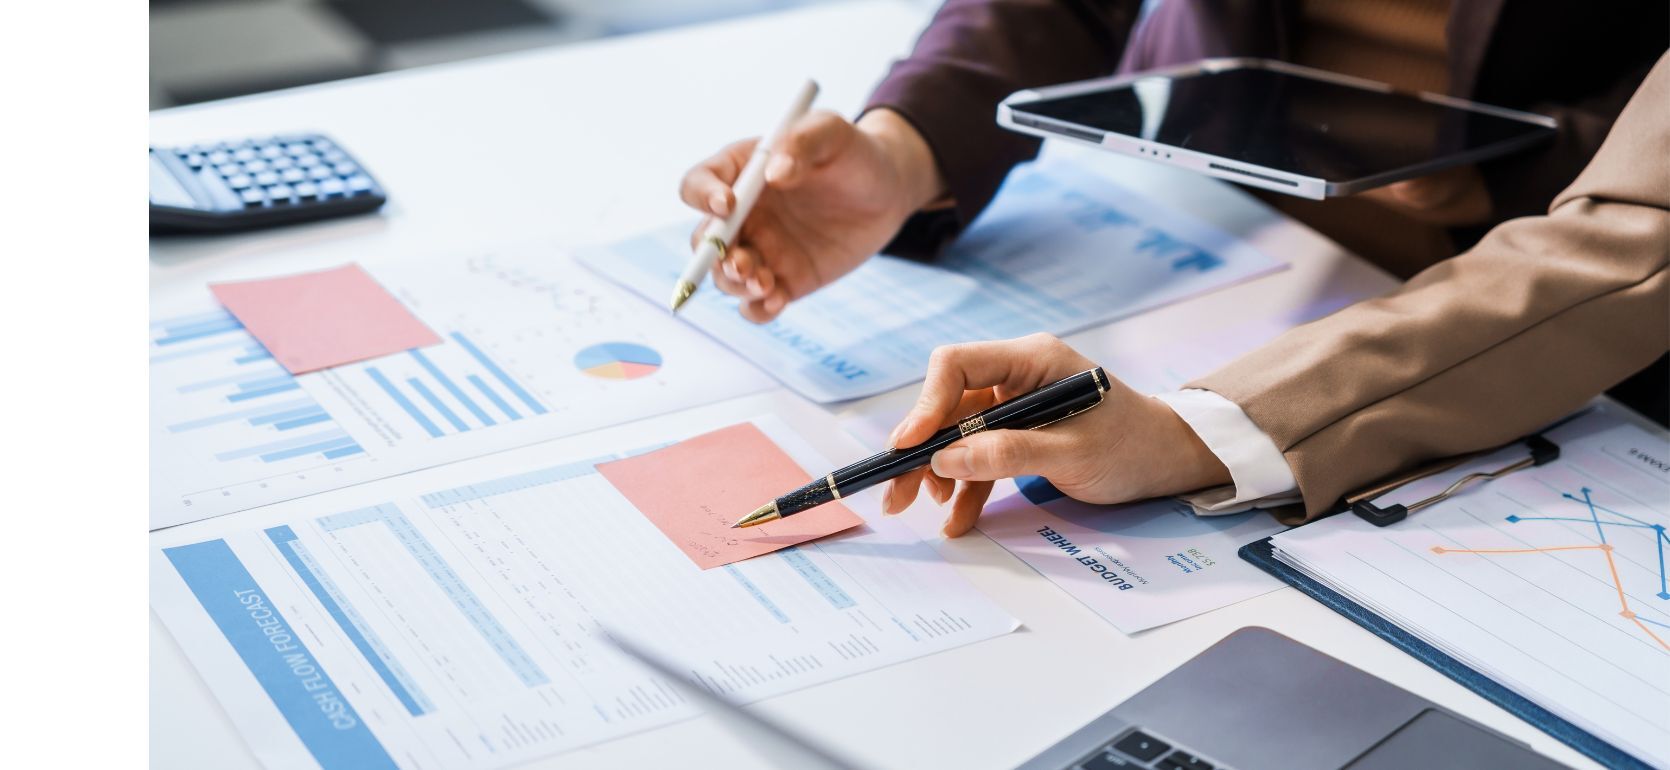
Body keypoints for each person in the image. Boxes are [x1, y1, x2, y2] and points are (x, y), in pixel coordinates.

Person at [884, 53, 1668, 536]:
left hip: (1492, 273)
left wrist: (1190, 436)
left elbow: (1637, 233)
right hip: (1208, 196)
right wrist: (906, 141)